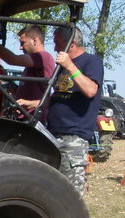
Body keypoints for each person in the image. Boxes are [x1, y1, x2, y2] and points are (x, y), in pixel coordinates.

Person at [17, 26, 103, 196]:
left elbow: (91, 90)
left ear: (71, 43)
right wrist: (34, 103)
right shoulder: (61, 67)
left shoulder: (91, 62)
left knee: (70, 194)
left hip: (74, 137)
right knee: (52, 190)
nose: (55, 48)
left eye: (58, 43)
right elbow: (59, 96)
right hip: (53, 134)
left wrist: (70, 66)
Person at [0, 24, 55, 117]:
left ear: (34, 41)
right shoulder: (31, 64)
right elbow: (21, 92)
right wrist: (7, 80)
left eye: (23, 43)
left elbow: (13, 59)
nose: (20, 47)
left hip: (34, 116)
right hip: (25, 116)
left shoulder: (43, 56)